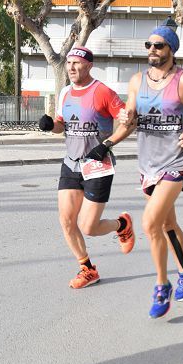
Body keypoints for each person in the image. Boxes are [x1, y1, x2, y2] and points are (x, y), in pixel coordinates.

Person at [118, 25, 183, 319]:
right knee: (167, 225)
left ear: (171, 50)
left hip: (177, 162)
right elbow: (130, 118)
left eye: (159, 45)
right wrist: (122, 121)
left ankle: (162, 286)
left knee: (150, 224)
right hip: (147, 163)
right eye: (149, 44)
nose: (152, 50)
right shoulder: (137, 81)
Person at [38, 47, 136, 289]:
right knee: (66, 220)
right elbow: (62, 124)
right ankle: (88, 269)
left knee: (89, 227)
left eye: (77, 63)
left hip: (97, 166)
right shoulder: (64, 93)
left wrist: (107, 144)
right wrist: (51, 125)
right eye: (69, 63)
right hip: (71, 163)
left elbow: (129, 122)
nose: (71, 67)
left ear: (89, 65)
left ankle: (121, 225)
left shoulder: (102, 92)